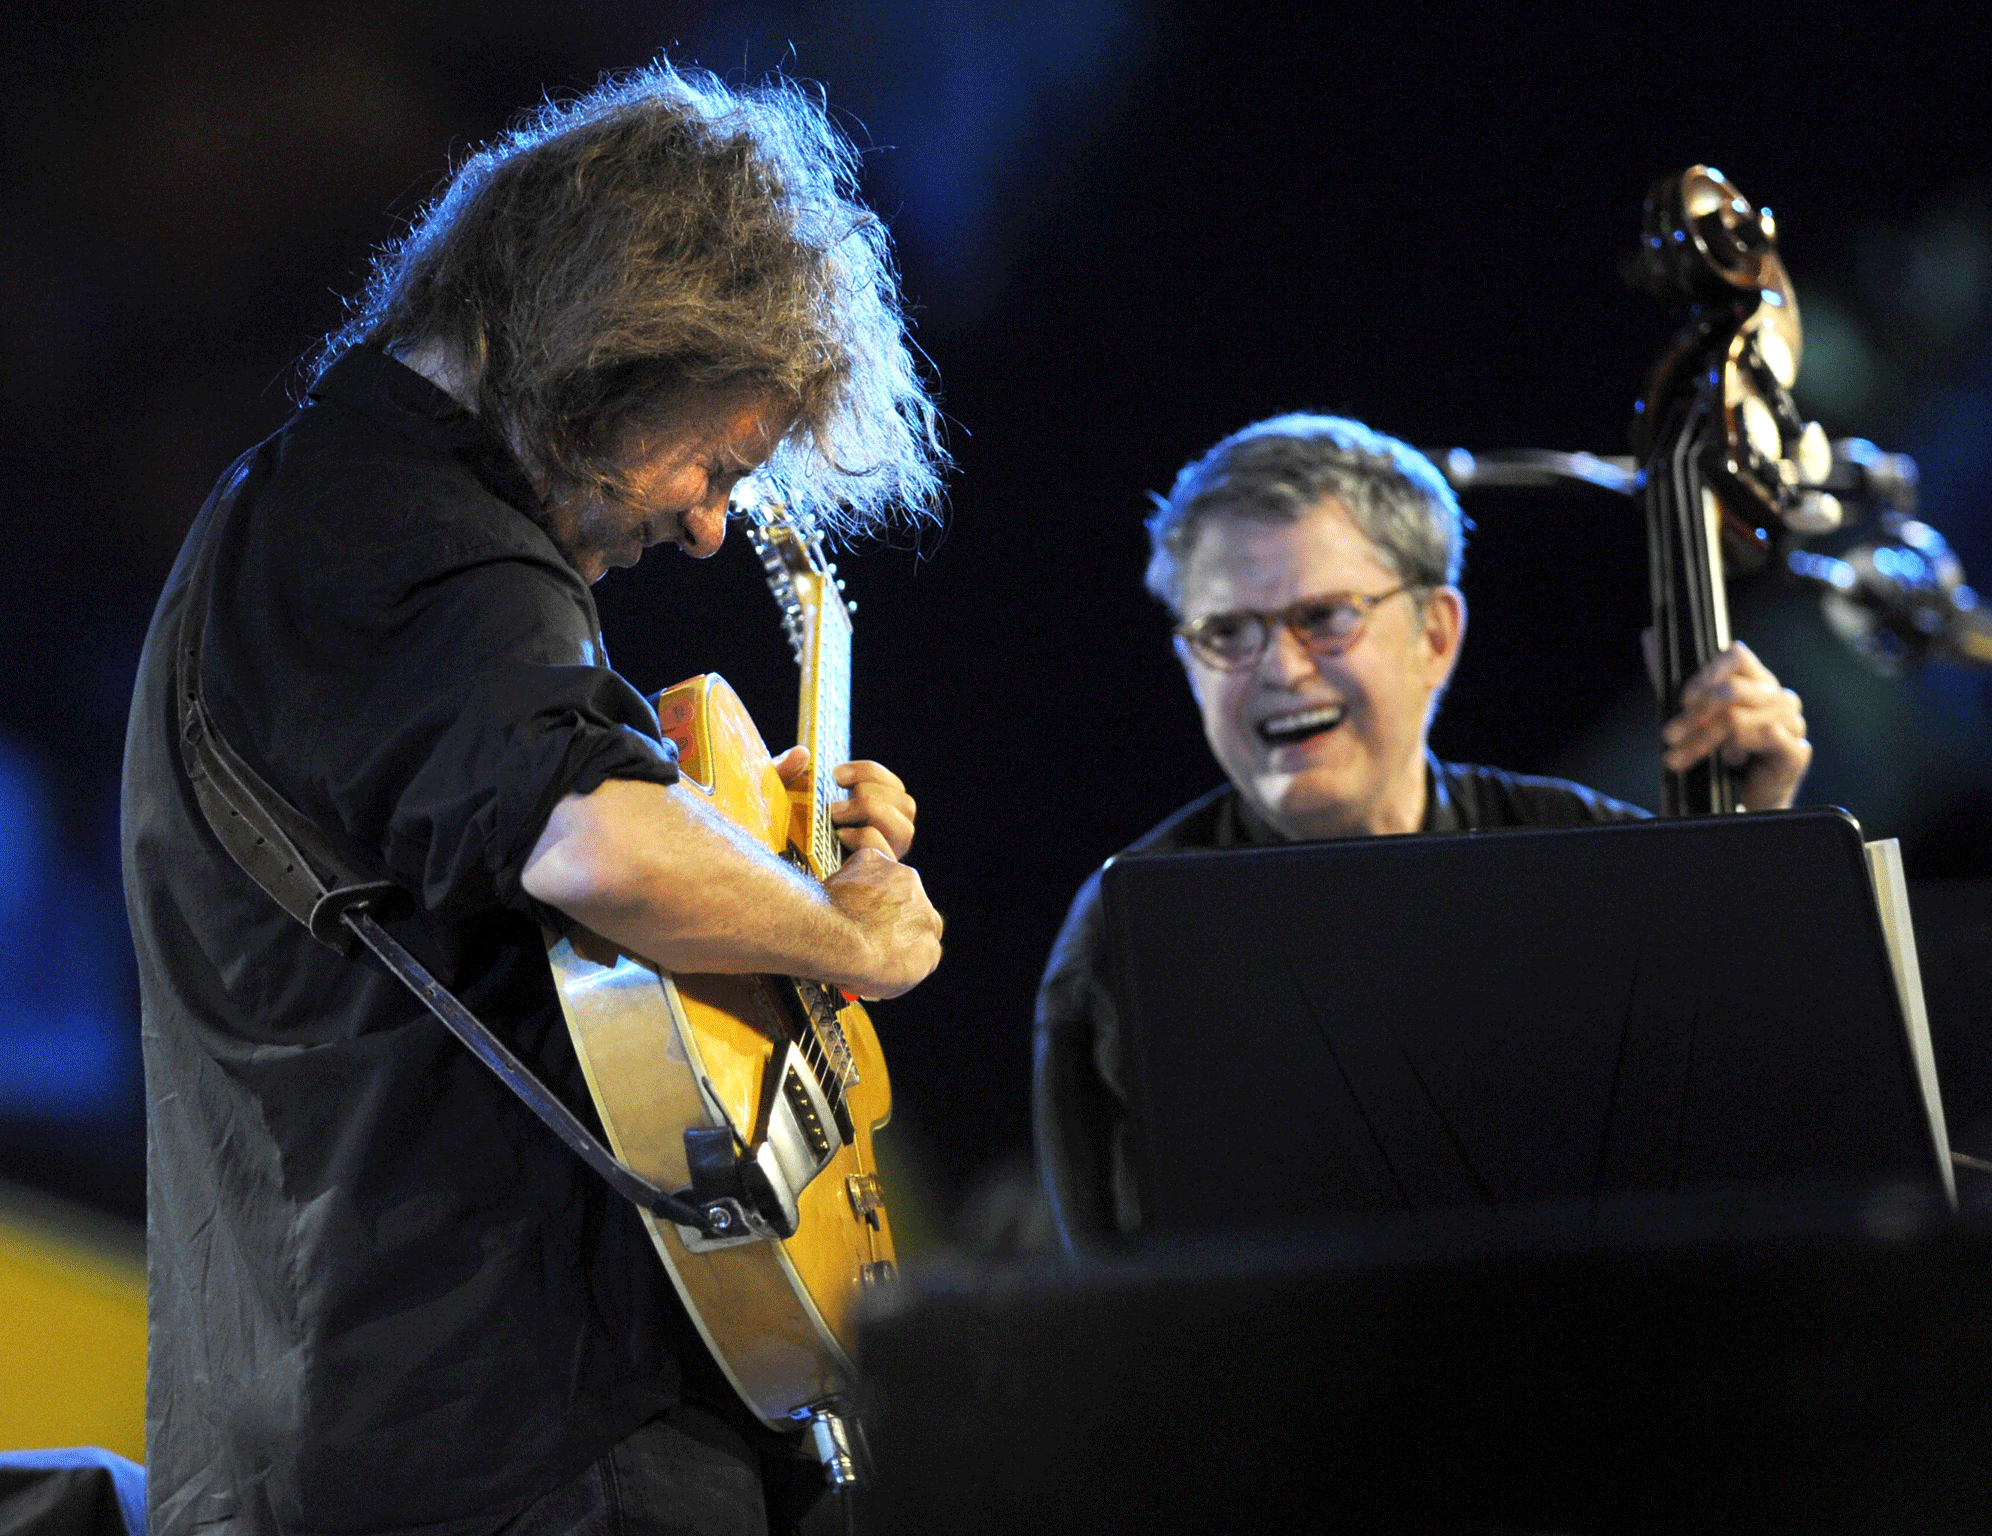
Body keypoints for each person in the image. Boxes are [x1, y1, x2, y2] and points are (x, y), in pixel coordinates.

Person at [121, 66, 945, 1536]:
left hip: (393, 1430)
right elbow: (593, 841)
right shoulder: (417, 540)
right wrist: (847, 933)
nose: (704, 524)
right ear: (618, 347)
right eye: (717, 460)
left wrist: (753, 846)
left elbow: (530, 880)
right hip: (524, 1443)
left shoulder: (318, 517)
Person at [1033, 414, 1811, 1251]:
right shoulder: (1127, 933)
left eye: (1324, 617)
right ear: (1190, 662)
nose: (1281, 669)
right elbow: (1116, 1299)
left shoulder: (1596, 859)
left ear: (1436, 634)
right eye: (1226, 633)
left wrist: (1753, 850)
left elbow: (1762, 1133)